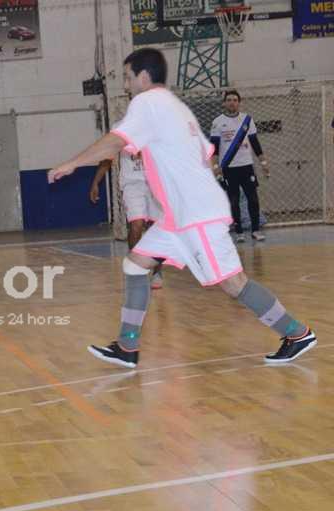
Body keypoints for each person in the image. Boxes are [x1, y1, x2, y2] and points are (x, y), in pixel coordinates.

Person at [48, 48, 316, 368]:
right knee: (135, 264)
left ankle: (296, 333)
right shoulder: (177, 108)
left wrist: (71, 164)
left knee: (233, 283)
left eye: (128, 77)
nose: (126, 84)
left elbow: (115, 142)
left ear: (144, 76)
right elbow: (206, 154)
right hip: (177, 217)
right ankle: (127, 346)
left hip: (196, 215)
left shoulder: (147, 102)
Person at [89, 142, 164, 289]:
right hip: (132, 184)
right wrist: (96, 182)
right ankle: (136, 269)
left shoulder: (155, 131)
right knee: (136, 225)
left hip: (155, 182)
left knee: (156, 229)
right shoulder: (121, 132)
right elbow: (108, 157)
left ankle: (157, 272)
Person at [210, 90, 270, 242]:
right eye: (229, 100)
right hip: (228, 168)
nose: (232, 102)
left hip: (247, 166)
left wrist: (263, 162)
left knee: (253, 199)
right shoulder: (217, 122)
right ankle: (239, 232)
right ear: (224, 103)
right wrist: (215, 167)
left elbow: (255, 142)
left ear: (239, 103)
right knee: (234, 201)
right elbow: (214, 147)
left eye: (235, 100)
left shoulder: (247, 120)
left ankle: (255, 230)